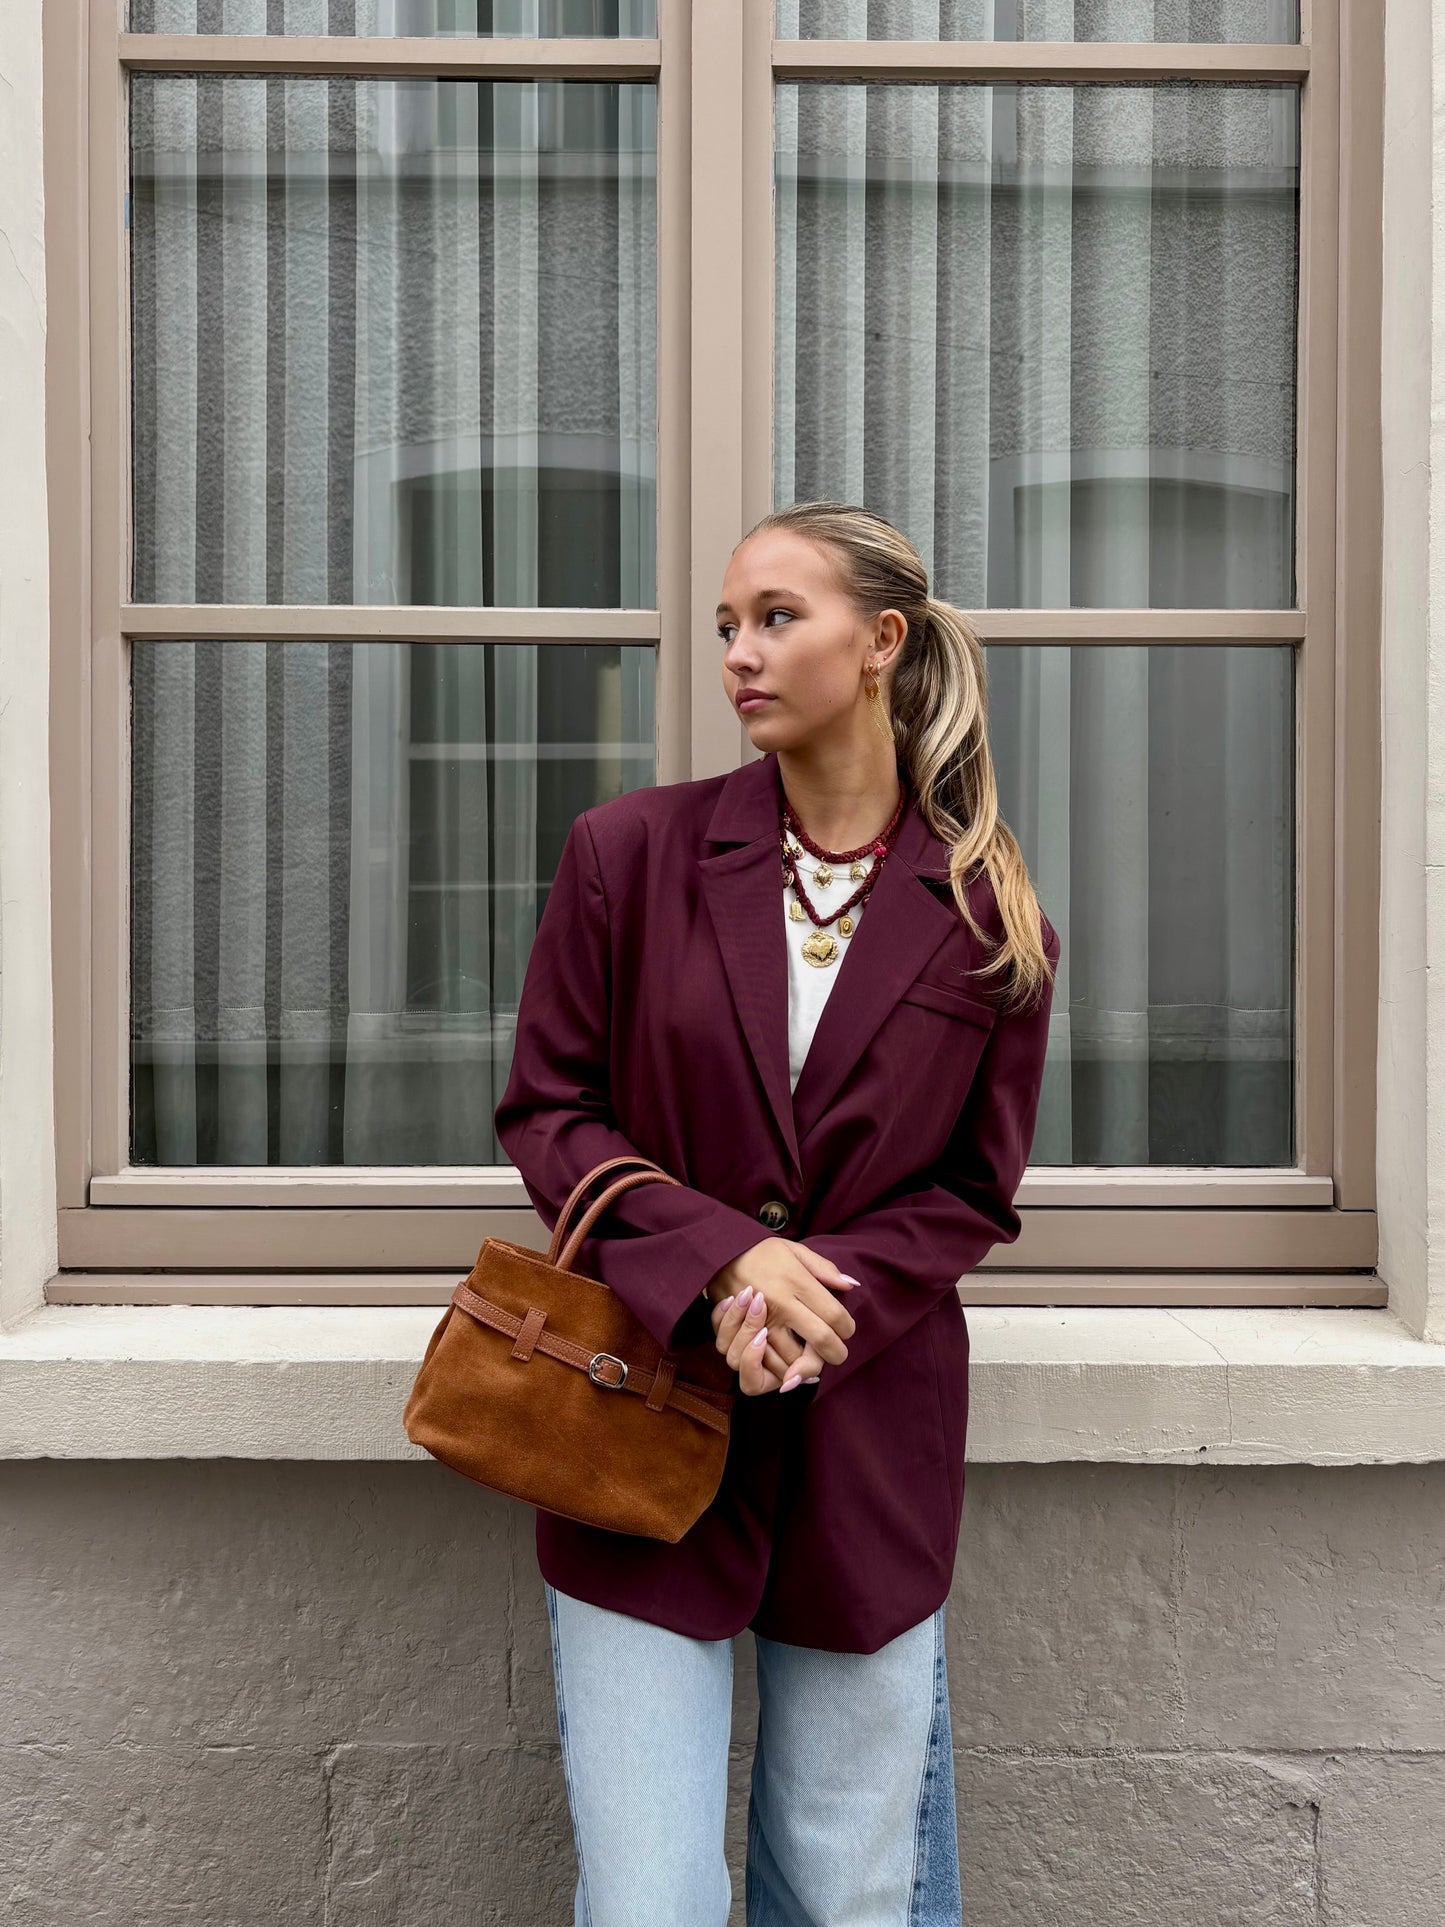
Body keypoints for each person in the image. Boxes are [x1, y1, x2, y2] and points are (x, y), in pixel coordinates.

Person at [494, 500, 1060, 1927]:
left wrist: (812, 1310)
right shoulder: (629, 853)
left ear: (880, 644)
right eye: (727, 626)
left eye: (776, 618)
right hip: (636, 1408)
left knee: (847, 1893)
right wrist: (728, 1263)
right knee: (647, 1900)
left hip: (864, 1438)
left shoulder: (992, 914)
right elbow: (548, 1114)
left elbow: (969, 1195)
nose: (738, 653)